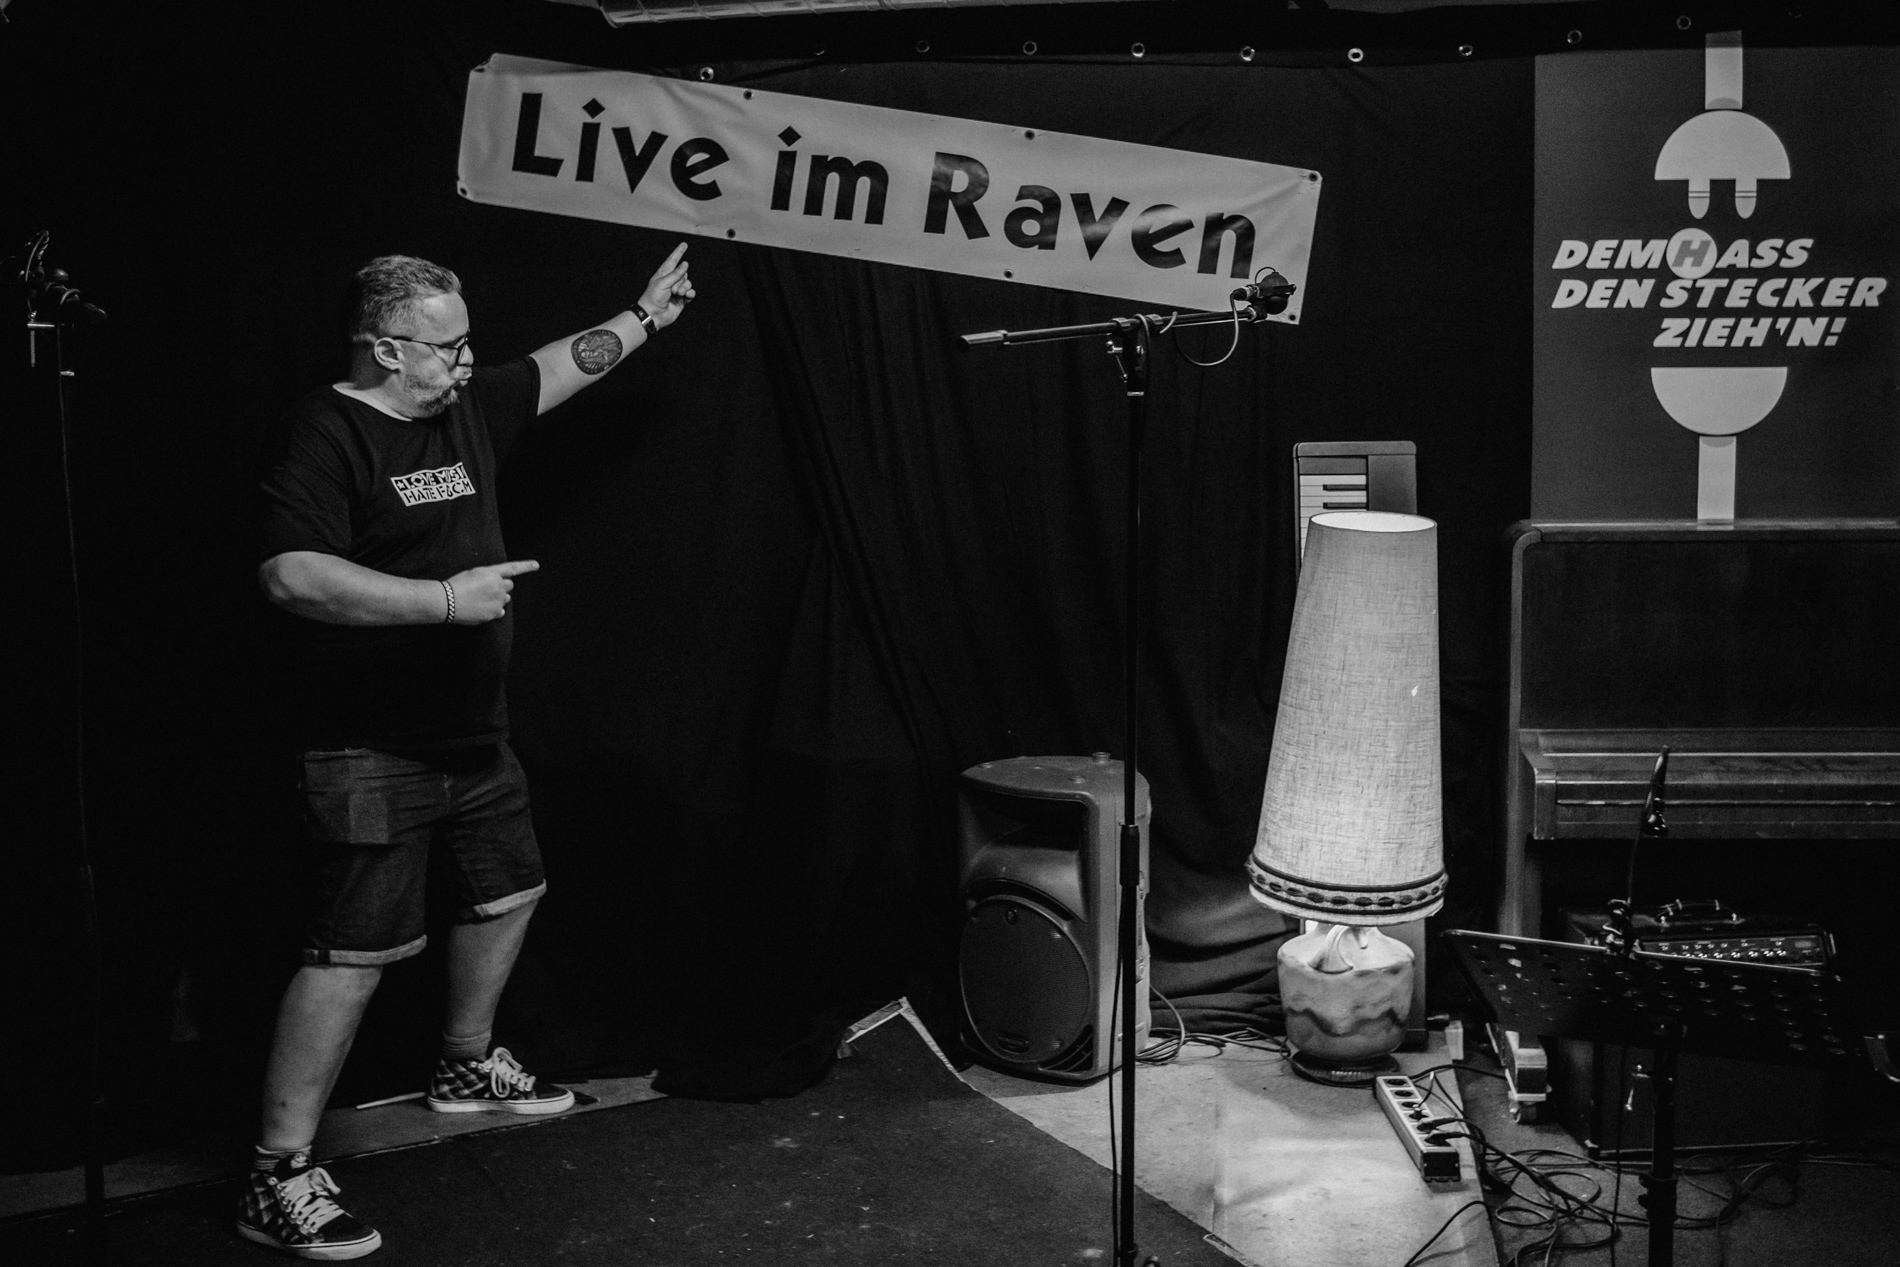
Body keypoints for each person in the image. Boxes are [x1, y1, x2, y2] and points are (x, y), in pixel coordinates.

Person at [239, 245, 695, 1259]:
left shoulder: (466, 405)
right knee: (350, 957)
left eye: (465, 342)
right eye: (445, 346)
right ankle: (277, 1171)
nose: (465, 360)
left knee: (509, 892)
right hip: (368, 745)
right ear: (385, 348)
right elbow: (291, 575)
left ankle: (462, 1062)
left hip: (472, 738)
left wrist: (645, 317)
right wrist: (444, 601)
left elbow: (558, 366)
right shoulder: (324, 432)